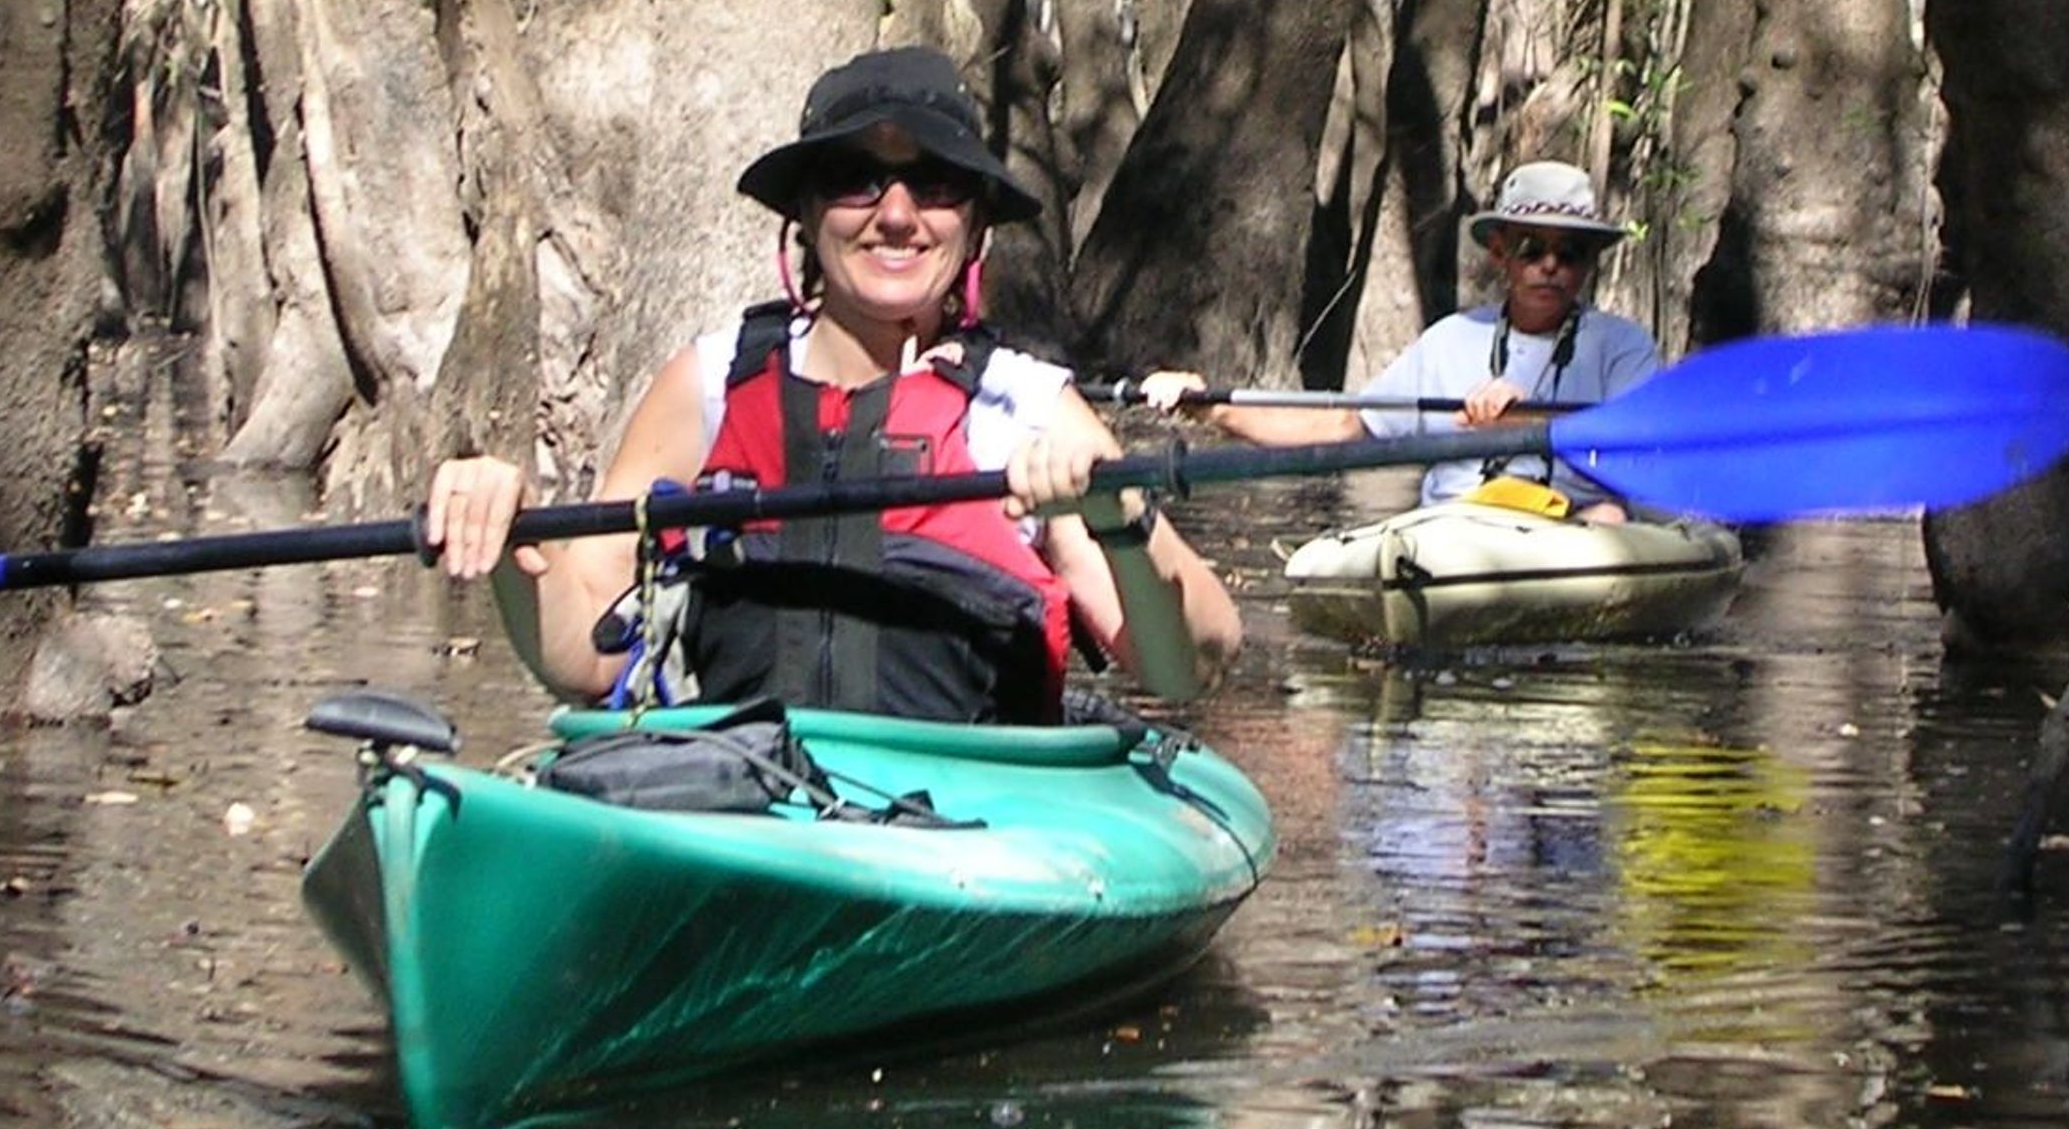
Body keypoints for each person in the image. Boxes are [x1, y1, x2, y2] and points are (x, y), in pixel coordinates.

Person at [424, 47, 1240, 716]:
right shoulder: (708, 387)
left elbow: (1191, 670)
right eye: (856, 178)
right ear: (808, 218)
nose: (895, 214)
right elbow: (586, 663)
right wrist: (512, 551)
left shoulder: (1026, 410)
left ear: (976, 224)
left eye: (935, 183)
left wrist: (1118, 518)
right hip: (738, 801)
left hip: (971, 828)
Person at [1141, 160, 1660, 519]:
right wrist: (1212, 408)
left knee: (1610, 516)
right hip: (1457, 528)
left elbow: (1639, 448)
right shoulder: (1449, 341)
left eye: (1570, 252)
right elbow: (1345, 426)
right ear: (1500, 253)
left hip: (1576, 526)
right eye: (1531, 248)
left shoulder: (1624, 348)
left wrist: (1530, 418)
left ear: (1591, 262)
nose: (1550, 265)